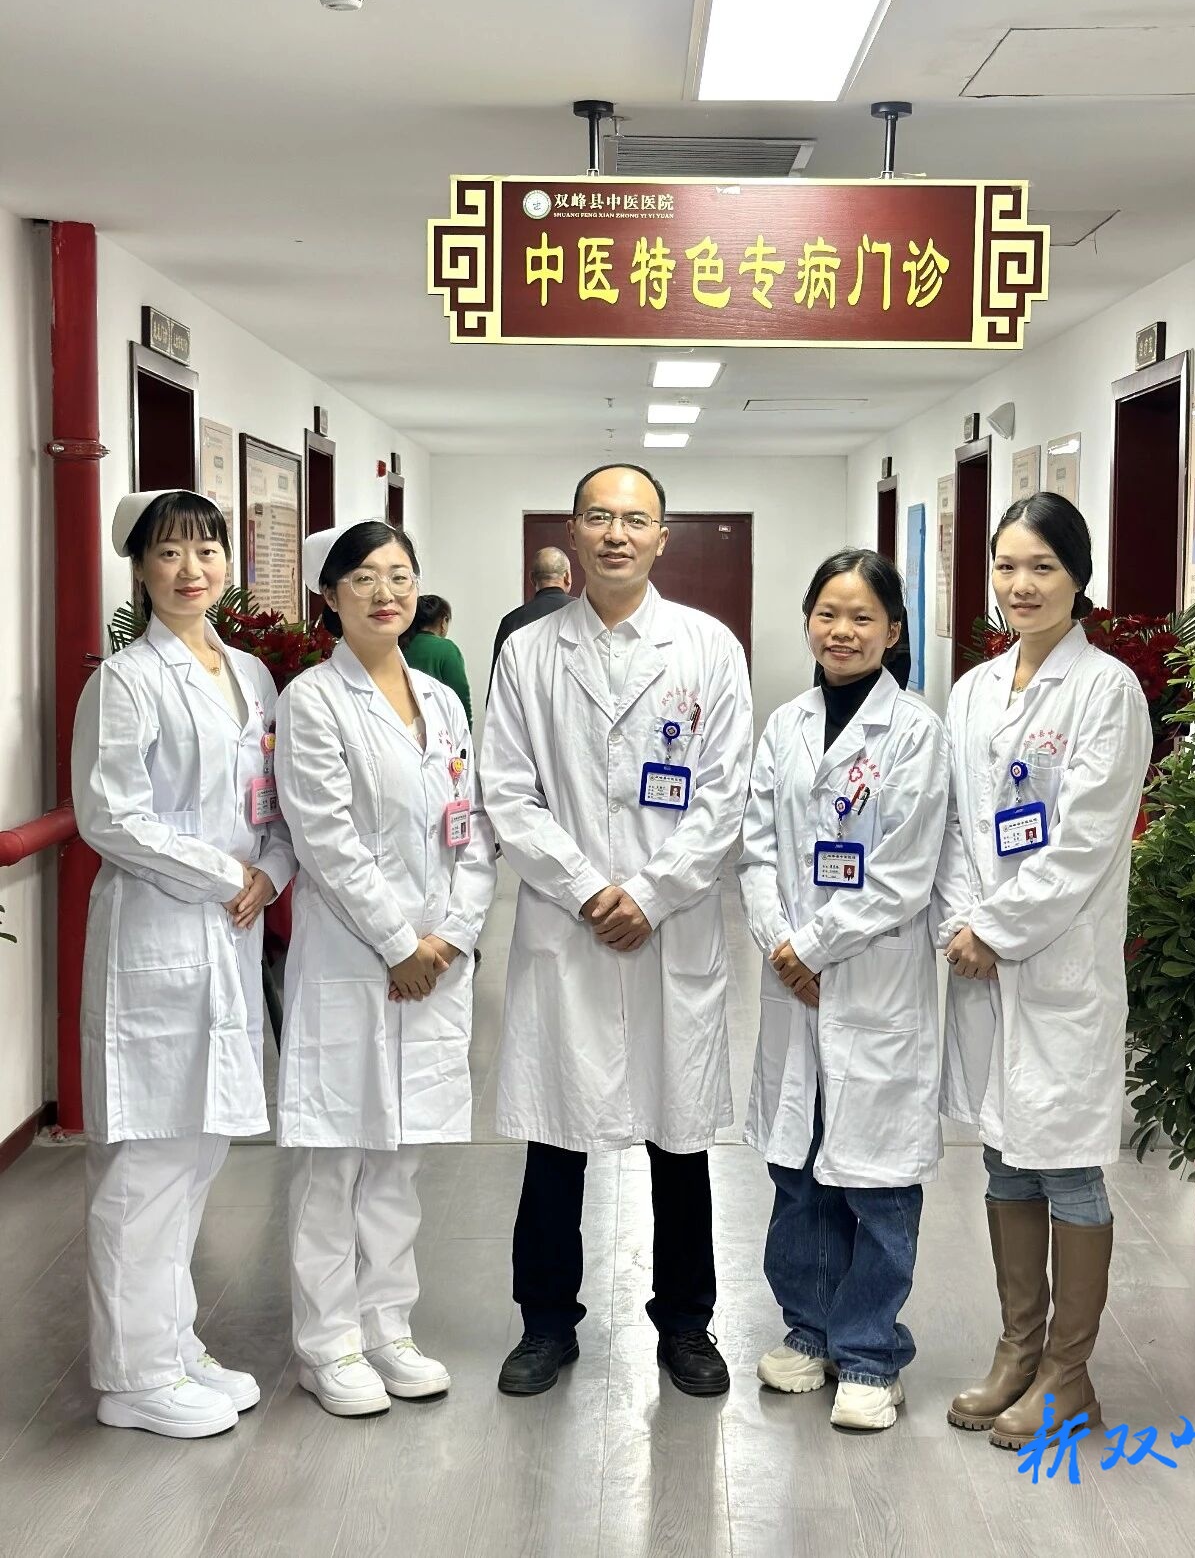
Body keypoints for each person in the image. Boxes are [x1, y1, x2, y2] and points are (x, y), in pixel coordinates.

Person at [481, 463, 753, 1399]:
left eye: (635, 520)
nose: (616, 535)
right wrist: (591, 889)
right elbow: (507, 791)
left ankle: (687, 1324)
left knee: (679, 1141)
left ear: (662, 537)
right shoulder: (528, 653)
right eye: (599, 517)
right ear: (573, 532)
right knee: (554, 1139)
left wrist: (652, 893)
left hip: (669, 930)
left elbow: (725, 795)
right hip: (570, 929)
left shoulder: (708, 648)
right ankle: (545, 1324)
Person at [71, 489, 297, 1439]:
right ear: (140, 568)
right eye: (168, 553)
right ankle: (131, 1375)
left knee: (198, 1152)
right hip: (158, 935)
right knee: (148, 1162)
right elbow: (111, 817)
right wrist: (229, 874)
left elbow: (274, 800)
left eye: (207, 549)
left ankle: (168, 1341)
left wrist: (272, 870)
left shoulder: (251, 672)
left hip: (229, 934)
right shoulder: (126, 681)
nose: (191, 568)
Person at [934, 491, 1151, 1451]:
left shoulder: (1107, 691)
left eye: (1042, 568)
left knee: (1066, 1163)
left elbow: (1087, 841)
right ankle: (1019, 1353)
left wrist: (998, 927)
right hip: (985, 965)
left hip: (1060, 963)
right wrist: (963, 924)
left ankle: (1070, 1374)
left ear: (1078, 578)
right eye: (1007, 567)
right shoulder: (975, 690)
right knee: (1003, 1155)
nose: (1020, 586)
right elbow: (953, 824)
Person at [275, 520, 495, 1418]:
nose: (384, 593)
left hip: (432, 964)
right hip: (353, 958)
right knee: (334, 1162)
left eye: (399, 575)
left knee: (401, 1161)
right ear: (329, 596)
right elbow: (325, 839)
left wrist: (452, 936)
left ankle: (388, 1326)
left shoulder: (440, 702)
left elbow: (471, 830)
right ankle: (327, 1343)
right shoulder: (311, 701)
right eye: (362, 578)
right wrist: (400, 945)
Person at [739, 550, 947, 1431]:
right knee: (799, 1168)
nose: (843, 631)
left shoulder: (918, 733)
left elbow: (905, 872)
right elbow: (754, 847)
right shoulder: (784, 726)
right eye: (828, 613)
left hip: (871, 980)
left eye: (863, 617)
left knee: (878, 1181)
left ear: (894, 631)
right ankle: (809, 1330)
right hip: (797, 978)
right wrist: (781, 943)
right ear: (808, 622)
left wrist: (814, 947)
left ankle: (869, 1353)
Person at [488, 547, 574, 699]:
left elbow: (497, 690)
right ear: (567, 576)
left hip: (526, 710)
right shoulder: (586, 615)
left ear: (532, 578)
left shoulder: (511, 622)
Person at [403, 593, 472, 726]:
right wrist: (466, 730)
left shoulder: (400, 646)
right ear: (443, 621)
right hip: (440, 728)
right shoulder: (447, 649)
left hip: (406, 725)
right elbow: (461, 697)